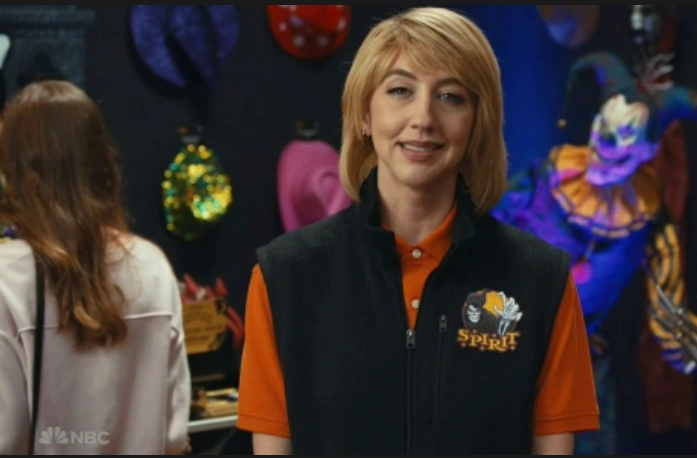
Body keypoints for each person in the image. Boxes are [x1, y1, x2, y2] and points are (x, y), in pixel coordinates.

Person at [236, 7, 599, 455]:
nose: (423, 117)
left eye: (450, 96)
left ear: (477, 123)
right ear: (364, 115)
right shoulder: (285, 276)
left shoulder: (542, 280)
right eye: (400, 90)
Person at [0, 80, 191, 454]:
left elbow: (6, 434)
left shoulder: (8, 276)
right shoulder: (151, 265)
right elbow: (173, 434)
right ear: (102, 162)